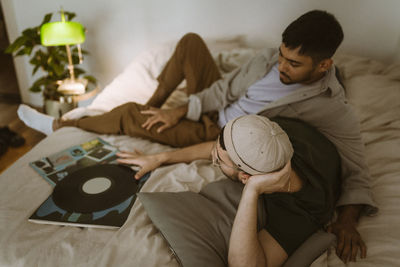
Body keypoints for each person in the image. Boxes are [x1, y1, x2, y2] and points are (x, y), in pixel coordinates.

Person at [18, 10, 376, 262]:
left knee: (127, 115)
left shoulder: (333, 108)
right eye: (282, 55)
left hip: (222, 132)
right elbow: (221, 90)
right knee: (190, 42)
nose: (281, 66)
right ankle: (152, 108)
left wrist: (347, 219)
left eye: (293, 64)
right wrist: (179, 109)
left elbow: (356, 164)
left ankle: (60, 125)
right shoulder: (267, 59)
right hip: (209, 110)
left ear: (324, 65)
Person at [117, 114, 342, 266]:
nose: (212, 156)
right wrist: (161, 157)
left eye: (218, 160)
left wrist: (252, 191)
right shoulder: (265, 134)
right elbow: (227, 147)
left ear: (245, 177)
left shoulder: (305, 210)